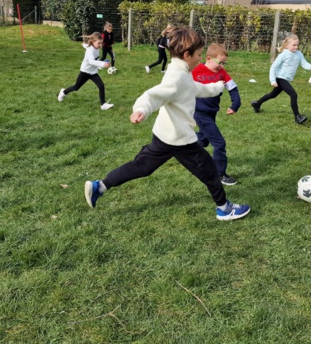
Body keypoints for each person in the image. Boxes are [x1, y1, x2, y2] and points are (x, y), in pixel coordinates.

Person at [84, 26, 250, 221]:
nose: (200, 58)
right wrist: (141, 109)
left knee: (142, 166)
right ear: (187, 54)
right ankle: (224, 209)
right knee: (210, 171)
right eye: (198, 54)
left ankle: (100, 186)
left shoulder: (181, 71)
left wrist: (216, 87)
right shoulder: (176, 77)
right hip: (180, 140)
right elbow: (154, 95)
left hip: (164, 135)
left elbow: (194, 88)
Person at [192, 43, 241, 186]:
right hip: (199, 113)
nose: (222, 66)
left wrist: (235, 105)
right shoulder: (196, 71)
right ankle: (220, 174)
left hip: (212, 112)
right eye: (220, 63)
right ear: (208, 58)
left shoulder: (221, 73)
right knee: (219, 143)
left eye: (224, 63)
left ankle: (184, 147)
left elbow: (233, 89)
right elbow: (181, 87)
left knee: (203, 139)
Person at [251, 34, 311, 124]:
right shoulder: (284, 54)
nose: (296, 47)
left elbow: (304, 64)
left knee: (273, 94)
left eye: (297, 45)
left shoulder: (299, 54)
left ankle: (256, 104)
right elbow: (273, 67)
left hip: (286, 79)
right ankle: (297, 117)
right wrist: (273, 80)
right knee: (293, 95)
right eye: (294, 45)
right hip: (280, 78)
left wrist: (310, 66)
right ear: (287, 45)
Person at [58, 32, 114, 110]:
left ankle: (103, 104)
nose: (100, 45)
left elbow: (95, 59)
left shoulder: (96, 48)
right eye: (99, 43)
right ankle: (64, 92)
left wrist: (100, 66)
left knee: (101, 86)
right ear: (93, 42)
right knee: (76, 87)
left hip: (93, 72)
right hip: (85, 72)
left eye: (101, 43)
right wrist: (102, 64)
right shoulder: (90, 50)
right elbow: (91, 61)